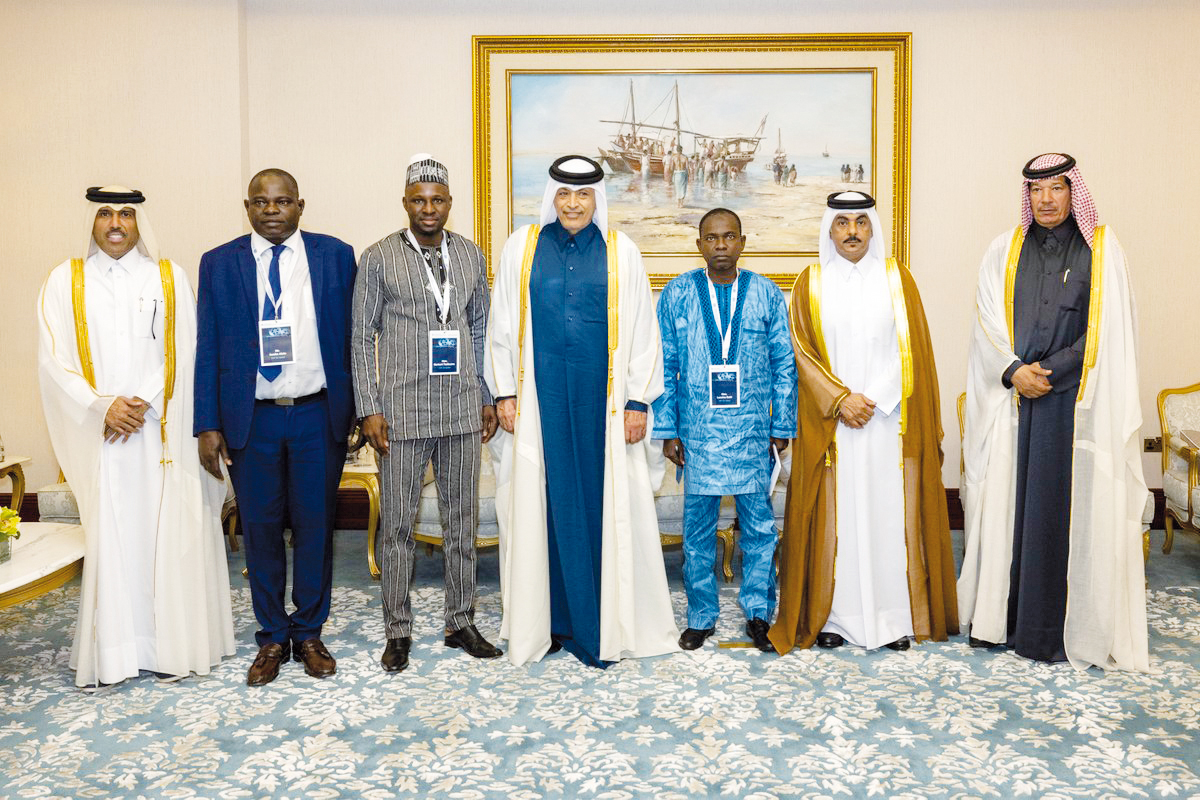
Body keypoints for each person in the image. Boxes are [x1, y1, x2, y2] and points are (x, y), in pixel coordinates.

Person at [485, 155, 678, 667]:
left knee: (600, 503)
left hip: (605, 405)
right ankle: (545, 625)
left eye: (584, 194)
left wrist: (638, 401)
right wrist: (504, 392)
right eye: (565, 194)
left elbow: (643, 332)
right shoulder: (522, 248)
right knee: (540, 504)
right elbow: (502, 323)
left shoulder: (622, 252)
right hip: (538, 401)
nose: (573, 204)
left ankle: (601, 624)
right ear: (552, 196)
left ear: (598, 198)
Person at [38, 186, 234, 688]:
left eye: (126, 213)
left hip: (160, 435)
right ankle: (119, 653)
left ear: (140, 220)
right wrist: (104, 406)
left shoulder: (168, 278)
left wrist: (142, 400)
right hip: (103, 436)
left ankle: (171, 647)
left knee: (168, 533)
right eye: (105, 213)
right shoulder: (66, 282)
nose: (116, 223)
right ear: (92, 221)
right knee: (116, 535)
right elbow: (53, 360)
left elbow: (189, 348)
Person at [959, 153, 1149, 670]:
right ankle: (1001, 620)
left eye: (1057, 188)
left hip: (1075, 401)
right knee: (1009, 507)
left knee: (1060, 512)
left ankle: (1064, 629)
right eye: (1037, 189)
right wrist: (1014, 369)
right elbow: (985, 322)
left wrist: (1053, 371)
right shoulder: (1005, 249)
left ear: (1074, 193)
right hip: (1012, 398)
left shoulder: (1102, 251)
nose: (1046, 199)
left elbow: (1108, 331)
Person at [770, 191, 958, 654]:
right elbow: (801, 352)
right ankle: (835, 617)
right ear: (829, 230)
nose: (852, 231)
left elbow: (912, 350)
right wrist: (840, 400)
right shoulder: (809, 283)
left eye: (860, 222)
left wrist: (872, 399)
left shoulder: (898, 279)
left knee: (887, 516)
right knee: (837, 519)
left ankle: (892, 619)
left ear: (872, 229)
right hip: (832, 425)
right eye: (842, 223)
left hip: (886, 424)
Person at [194, 169, 357, 686]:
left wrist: (357, 407)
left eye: (282, 201)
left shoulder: (335, 256)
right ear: (247, 207)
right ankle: (271, 637)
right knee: (260, 530)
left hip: (316, 412)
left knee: (315, 527)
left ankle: (309, 631)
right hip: (253, 417)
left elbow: (354, 339)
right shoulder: (219, 263)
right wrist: (207, 423)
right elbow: (207, 347)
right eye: (261, 202)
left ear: (300, 205)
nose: (272, 210)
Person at [352, 154, 502, 673]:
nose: (428, 208)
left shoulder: (468, 255)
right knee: (396, 526)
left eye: (437, 200)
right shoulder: (377, 258)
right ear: (405, 204)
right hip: (401, 415)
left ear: (450, 204)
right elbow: (359, 338)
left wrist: (486, 393)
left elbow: (480, 331)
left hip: (461, 410)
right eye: (418, 200)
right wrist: (368, 408)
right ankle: (398, 630)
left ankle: (460, 621)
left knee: (461, 522)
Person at [653, 208, 796, 652]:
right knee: (697, 530)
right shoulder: (676, 294)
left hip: (753, 430)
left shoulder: (768, 294)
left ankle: (758, 613)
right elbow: (665, 364)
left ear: (742, 242)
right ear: (699, 245)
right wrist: (668, 428)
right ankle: (701, 615)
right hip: (698, 434)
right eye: (711, 238)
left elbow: (784, 365)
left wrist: (782, 423)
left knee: (759, 527)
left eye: (729, 237)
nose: (720, 245)